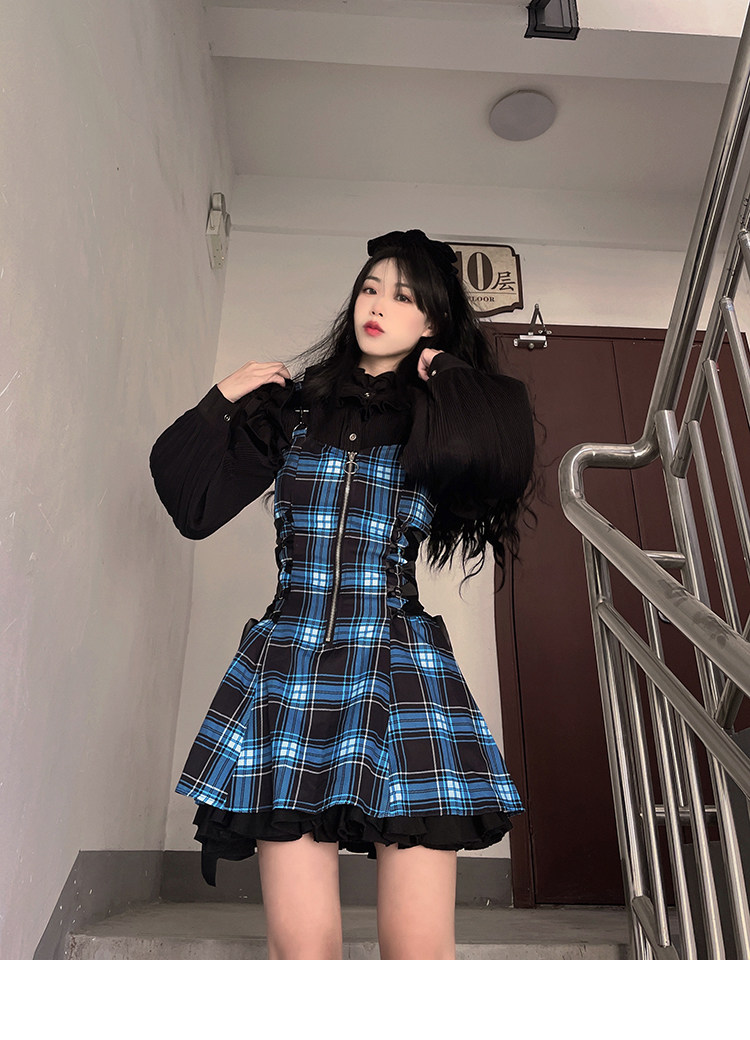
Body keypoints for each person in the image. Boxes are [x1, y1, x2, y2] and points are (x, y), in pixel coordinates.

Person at [149, 229, 535, 960]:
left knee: (419, 953)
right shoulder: (292, 411)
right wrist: (220, 400)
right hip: (291, 668)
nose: (378, 306)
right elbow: (192, 505)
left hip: (400, 671)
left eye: (405, 297)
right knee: (303, 955)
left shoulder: (436, 417)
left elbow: (502, 461)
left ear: (433, 320)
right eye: (370, 288)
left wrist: (449, 372)